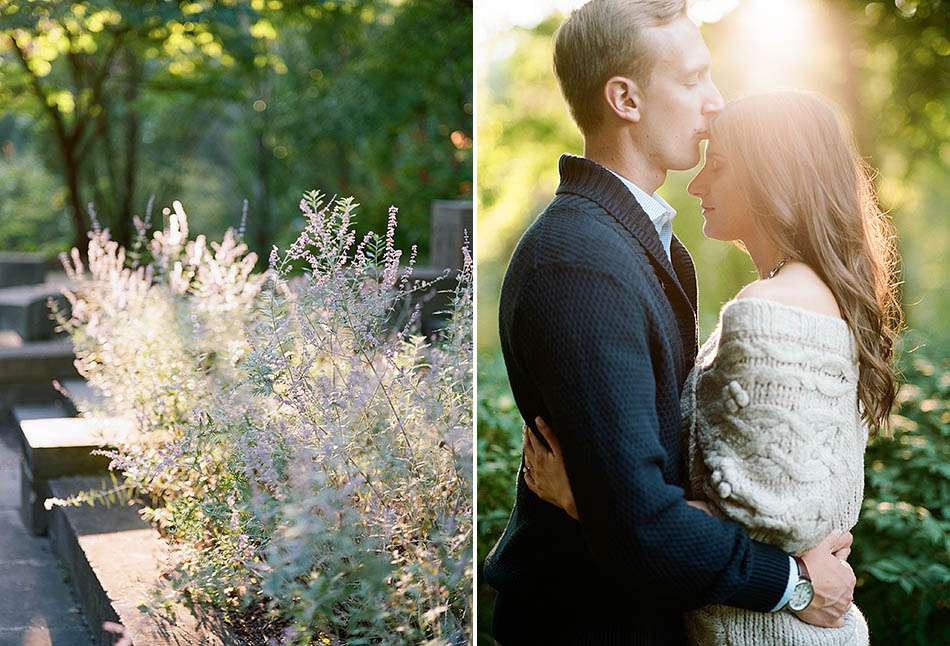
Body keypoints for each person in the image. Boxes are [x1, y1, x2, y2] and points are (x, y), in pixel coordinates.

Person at [483, 0, 860, 642]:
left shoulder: (646, 245)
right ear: (625, 99)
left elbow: (663, 473)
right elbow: (641, 525)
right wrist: (794, 583)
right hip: (592, 625)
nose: (715, 103)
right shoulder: (580, 262)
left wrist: (594, 499)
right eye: (691, 80)